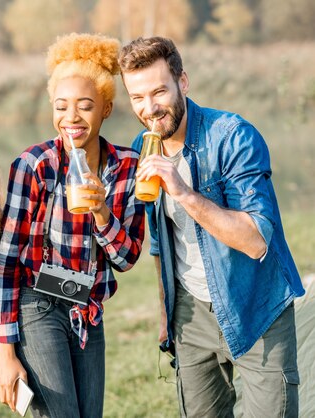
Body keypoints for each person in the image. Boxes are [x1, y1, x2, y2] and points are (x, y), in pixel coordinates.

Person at [118, 36, 305, 417]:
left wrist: (185, 192)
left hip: (256, 305)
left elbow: (256, 240)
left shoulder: (234, 136)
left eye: (159, 92)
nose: (150, 108)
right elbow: (160, 241)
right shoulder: (143, 146)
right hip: (190, 317)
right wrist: (164, 313)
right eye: (137, 97)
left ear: (182, 82)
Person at [0, 33, 145, 418]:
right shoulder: (35, 165)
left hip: (88, 308)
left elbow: (126, 260)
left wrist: (101, 214)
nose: (71, 118)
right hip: (38, 303)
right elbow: (6, 262)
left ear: (106, 108)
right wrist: (6, 353)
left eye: (85, 106)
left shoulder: (127, 167)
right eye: (61, 106)